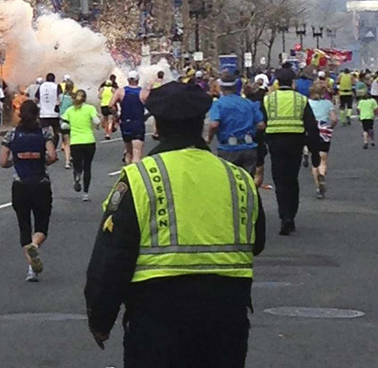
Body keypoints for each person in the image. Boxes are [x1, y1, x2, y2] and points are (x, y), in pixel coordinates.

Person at [84, 81, 266, 367]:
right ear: (202, 124)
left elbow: (111, 258)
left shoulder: (138, 178)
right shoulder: (239, 178)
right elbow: (257, 243)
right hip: (226, 318)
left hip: (157, 320)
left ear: (157, 125)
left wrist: (100, 319)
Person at [1, 100, 57, 282]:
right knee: (41, 225)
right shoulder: (45, 133)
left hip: (20, 185)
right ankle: (35, 244)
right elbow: (53, 156)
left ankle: (31, 270)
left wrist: (14, 162)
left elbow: (3, 162)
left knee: (24, 226)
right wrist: (42, 160)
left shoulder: (11, 135)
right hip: (40, 183)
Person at [263, 68, 320, 236]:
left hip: (275, 144)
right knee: (292, 180)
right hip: (295, 143)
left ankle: (284, 215)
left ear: (277, 82)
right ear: (293, 82)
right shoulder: (301, 100)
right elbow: (312, 127)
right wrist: (314, 152)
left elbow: (261, 123)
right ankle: (291, 215)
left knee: (280, 181)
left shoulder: (268, 100)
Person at [207, 73, 266, 176]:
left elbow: (214, 125)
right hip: (249, 146)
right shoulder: (248, 103)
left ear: (221, 87)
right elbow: (261, 125)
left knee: (231, 182)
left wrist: (209, 138)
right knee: (248, 181)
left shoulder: (218, 104)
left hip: (228, 149)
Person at [61, 89, 100, 202]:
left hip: (76, 142)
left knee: (78, 165)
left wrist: (70, 128)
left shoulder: (70, 110)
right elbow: (96, 121)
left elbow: (64, 125)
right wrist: (97, 125)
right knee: (87, 166)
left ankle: (77, 176)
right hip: (89, 141)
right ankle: (85, 194)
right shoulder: (90, 108)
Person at [109, 71, 150, 164]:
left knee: (128, 151)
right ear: (138, 80)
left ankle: (128, 170)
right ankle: (135, 174)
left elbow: (111, 105)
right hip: (138, 122)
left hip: (125, 122)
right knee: (137, 152)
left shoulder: (120, 91)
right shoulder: (144, 92)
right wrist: (146, 116)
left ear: (128, 80)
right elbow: (153, 106)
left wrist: (117, 115)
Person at [307, 85, 336, 199]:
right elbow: (334, 119)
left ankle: (318, 187)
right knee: (323, 158)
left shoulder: (307, 103)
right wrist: (331, 127)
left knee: (314, 159)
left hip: (312, 130)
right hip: (324, 130)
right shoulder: (328, 103)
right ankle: (322, 175)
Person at [36, 73, 62, 148]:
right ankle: (54, 147)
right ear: (54, 79)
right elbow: (60, 99)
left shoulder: (41, 86)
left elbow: (36, 99)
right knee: (56, 132)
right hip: (54, 114)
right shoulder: (57, 86)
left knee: (44, 132)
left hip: (43, 114)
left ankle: (45, 147)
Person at [59, 80, 75, 169]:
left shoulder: (61, 97)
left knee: (66, 142)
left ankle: (67, 161)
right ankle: (72, 156)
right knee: (72, 141)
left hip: (62, 121)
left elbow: (57, 105)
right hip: (72, 122)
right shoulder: (73, 98)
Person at [99, 75, 117, 140]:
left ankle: (106, 132)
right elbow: (116, 96)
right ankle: (108, 133)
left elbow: (99, 96)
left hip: (103, 105)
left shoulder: (102, 89)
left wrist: (104, 97)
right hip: (110, 105)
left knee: (106, 120)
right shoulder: (113, 89)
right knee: (110, 120)